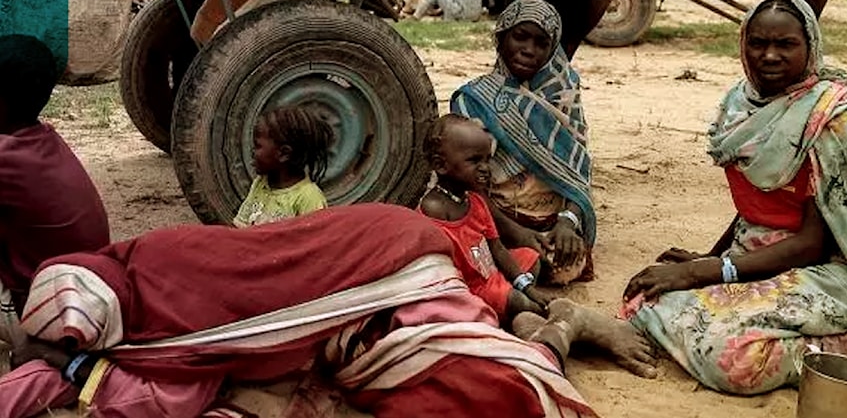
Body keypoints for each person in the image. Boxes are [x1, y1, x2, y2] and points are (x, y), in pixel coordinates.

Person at [622, 0, 847, 407]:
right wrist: (709, 258)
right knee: (644, 299)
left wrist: (706, 272)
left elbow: (813, 243)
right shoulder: (741, 103)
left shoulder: (837, 119)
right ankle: (845, 335)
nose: (769, 56)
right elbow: (759, 201)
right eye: (757, 43)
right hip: (754, 257)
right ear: (742, 44)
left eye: (785, 44)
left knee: (731, 357)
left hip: (827, 268)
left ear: (810, 48)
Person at [0, 204, 642, 418]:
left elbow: (180, 393)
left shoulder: (164, 323)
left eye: (57, 342)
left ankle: (560, 328)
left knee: (499, 392)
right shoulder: (139, 262)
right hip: (385, 252)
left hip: (388, 271)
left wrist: (71, 371)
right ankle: (524, 319)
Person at [452, 0, 595, 285]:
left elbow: (577, 176)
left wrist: (567, 222)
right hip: (495, 217)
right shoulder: (474, 99)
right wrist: (516, 232)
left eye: (541, 43)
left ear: (552, 51)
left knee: (562, 262)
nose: (529, 50)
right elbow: (466, 183)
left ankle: (512, 268)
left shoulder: (563, 95)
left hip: (552, 222)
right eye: (520, 37)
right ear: (501, 37)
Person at [0, 35, 110, 348]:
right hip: (83, 299)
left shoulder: (6, 158)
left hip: (47, 315)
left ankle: (29, 343)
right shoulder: (41, 138)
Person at [419, 114, 548, 323]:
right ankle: (521, 310)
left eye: (487, 160)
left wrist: (525, 285)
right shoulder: (432, 212)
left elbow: (497, 248)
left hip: (490, 272)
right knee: (521, 302)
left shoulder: (476, 202)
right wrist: (522, 290)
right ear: (440, 165)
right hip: (470, 288)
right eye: (474, 160)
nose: (485, 168)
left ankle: (510, 304)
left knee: (530, 258)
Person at [233, 105, 332, 227]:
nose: (252, 151)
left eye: (258, 146)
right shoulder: (261, 183)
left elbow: (313, 241)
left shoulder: (308, 198)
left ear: (284, 154)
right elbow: (241, 228)